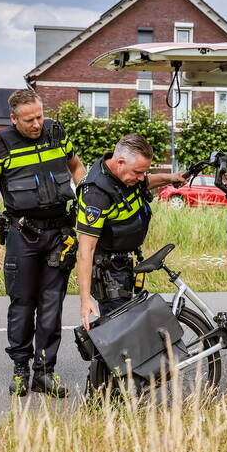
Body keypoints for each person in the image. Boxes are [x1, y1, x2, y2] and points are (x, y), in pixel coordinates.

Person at [0, 89, 86, 396]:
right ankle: (21, 371)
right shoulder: (1, 146)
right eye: (29, 120)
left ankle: (45, 372)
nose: (37, 124)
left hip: (60, 235)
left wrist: (86, 200)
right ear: (14, 119)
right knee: (23, 304)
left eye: (39, 116)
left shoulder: (55, 132)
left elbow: (77, 167)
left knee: (51, 305)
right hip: (23, 235)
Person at [75, 134, 187, 327]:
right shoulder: (96, 194)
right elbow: (86, 251)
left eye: (144, 172)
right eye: (138, 172)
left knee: (128, 326)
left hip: (124, 263)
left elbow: (147, 181)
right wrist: (85, 301)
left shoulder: (124, 176)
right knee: (119, 331)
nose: (141, 177)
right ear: (120, 162)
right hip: (109, 271)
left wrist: (171, 178)